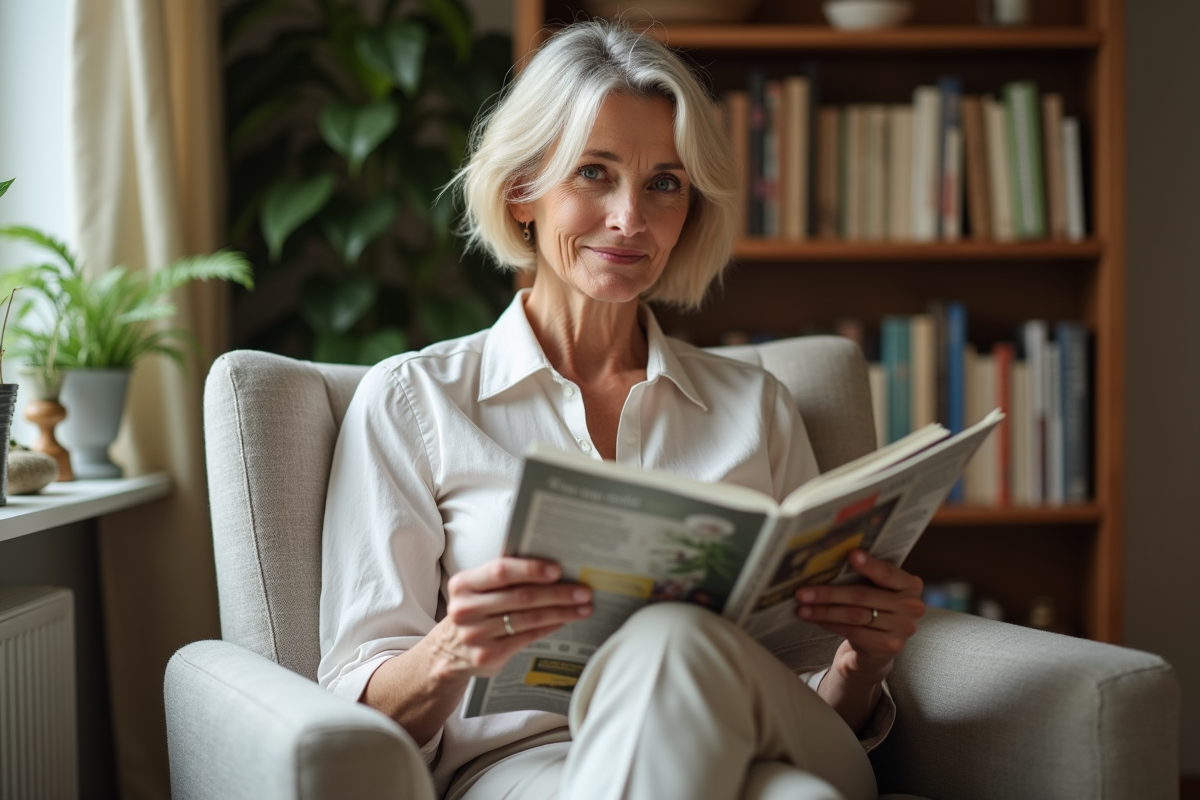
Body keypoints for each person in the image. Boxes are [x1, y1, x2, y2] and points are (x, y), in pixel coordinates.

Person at [318, 20, 925, 800]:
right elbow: (352, 704)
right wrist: (452, 652)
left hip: (768, 741)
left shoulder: (756, 407)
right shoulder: (416, 402)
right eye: (594, 174)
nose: (630, 219)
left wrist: (859, 664)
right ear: (522, 192)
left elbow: (813, 699)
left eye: (664, 184)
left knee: (673, 641)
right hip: (527, 768)